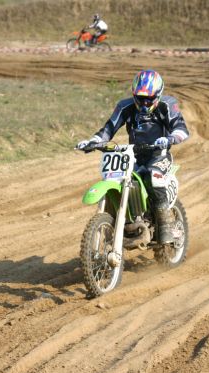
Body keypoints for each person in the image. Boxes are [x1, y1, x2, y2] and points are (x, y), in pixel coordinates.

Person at [76, 70, 190, 244]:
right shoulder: (125, 106)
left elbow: (181, 128)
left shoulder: (167, 105)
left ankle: (166, 225)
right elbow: (109, 128)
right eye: (140, 98)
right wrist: (93, 141)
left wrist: (171, 138)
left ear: (158, 95)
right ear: (134, 94)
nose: (144, 103)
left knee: (154, 177)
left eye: (149, 99)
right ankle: (121, 222)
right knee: (118, 179)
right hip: (133, 156)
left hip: (159, 155)